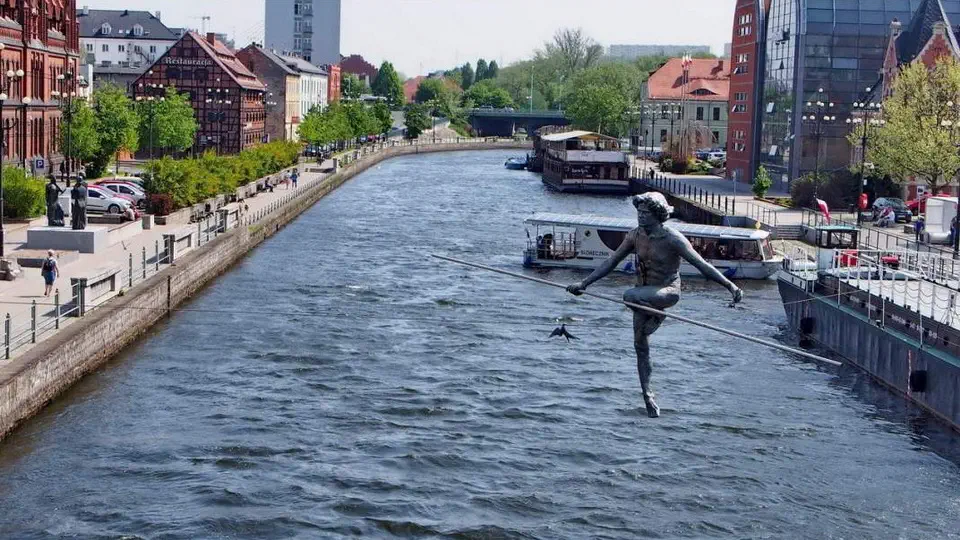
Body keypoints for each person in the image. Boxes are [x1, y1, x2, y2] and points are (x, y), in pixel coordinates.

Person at [566, 193, 743, 418]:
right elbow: (611, 262)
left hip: (666, 293)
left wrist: (730, 286)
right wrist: (584, 283)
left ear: (658, 215)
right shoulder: (635, 236)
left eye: (646, 213)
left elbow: (702, 265)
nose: (641, 216)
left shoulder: (672, 238)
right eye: (639, 212)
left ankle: (658, 315)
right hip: (643, 295)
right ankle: (647, 395)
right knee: (640, 346)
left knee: (628, 295)